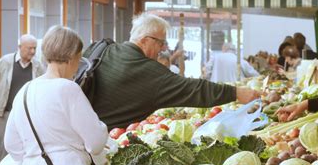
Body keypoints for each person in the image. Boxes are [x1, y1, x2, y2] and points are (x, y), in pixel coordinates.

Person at [4, 26, 108, 165]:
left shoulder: (25, 91)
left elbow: (12, 146)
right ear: (72, 57)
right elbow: (96, 142)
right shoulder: (67, 89)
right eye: (79, 59)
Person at [87, 13, 260, 130]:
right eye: (160, 42)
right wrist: (235, 93)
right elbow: (192, 89)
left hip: (80, 131)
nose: (163, 48)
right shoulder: (147, 70)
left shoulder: (103, 49)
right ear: (145, 40)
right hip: (102, 141)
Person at [0, 34, 45, 162]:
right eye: (29, 48)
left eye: (34, 48)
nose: (33, 51)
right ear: (20, 47)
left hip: (25, 115)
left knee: (21, 148)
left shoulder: (38, 66)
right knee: (1, 148)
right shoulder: (5, 62)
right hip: (4, 114)